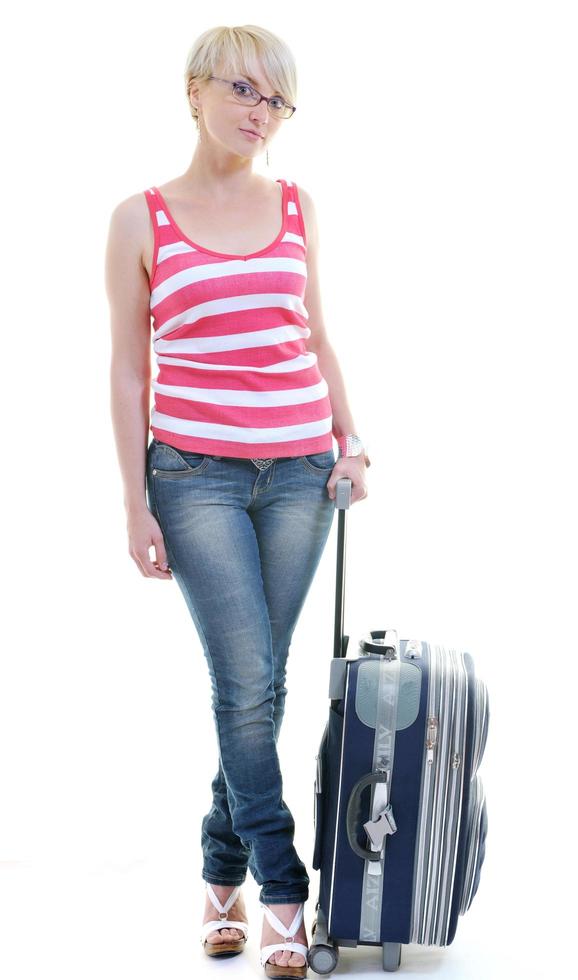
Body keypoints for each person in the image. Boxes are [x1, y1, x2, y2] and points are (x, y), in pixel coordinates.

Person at [104, 23, 370, 979]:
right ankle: (282, 892)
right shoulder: (141, 218)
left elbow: (317, 333)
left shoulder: (297, 204)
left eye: (278, 100)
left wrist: (350, 440)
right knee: (245, 684)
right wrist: (135, 501)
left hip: (301, 472)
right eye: (245, 92)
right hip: (195, 478)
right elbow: (132, 370)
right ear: (195, 90)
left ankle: (219, 877)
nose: (261, 114)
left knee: (260, 684)